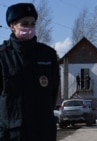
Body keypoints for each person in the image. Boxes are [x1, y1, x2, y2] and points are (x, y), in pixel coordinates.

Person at [0, 3, 60, 141]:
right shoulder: (3, 57)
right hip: (13, 133)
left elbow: (53, 92)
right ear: (12, 26)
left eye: (33, 24)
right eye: (25, 23)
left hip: (42, 131)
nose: (29, 28)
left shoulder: (47, 55)